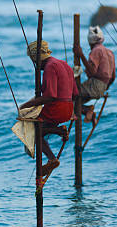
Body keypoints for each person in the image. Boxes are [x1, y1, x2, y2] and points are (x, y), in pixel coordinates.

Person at [20, 40, 78, 176]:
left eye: (32, 60)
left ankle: (52, 159)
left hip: (57, 108)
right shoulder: (63, 64)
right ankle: (58, 131)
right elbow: (75, 93)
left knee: (33, 131)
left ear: (36, 58)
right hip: (68, 109)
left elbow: (50, 96)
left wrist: (26, 105)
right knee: (41, 132)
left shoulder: (50, 67)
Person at [73, 26, 116, 124]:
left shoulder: (96, 50)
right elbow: (113, 77)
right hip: (103, 87)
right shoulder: (110, 52)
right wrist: (104, 88)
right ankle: (88, 111)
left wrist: (81, 54)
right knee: (75, 103)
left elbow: (92, 72)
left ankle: (88, 110)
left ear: (90, 41)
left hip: (95, 85)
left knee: (70, 95)